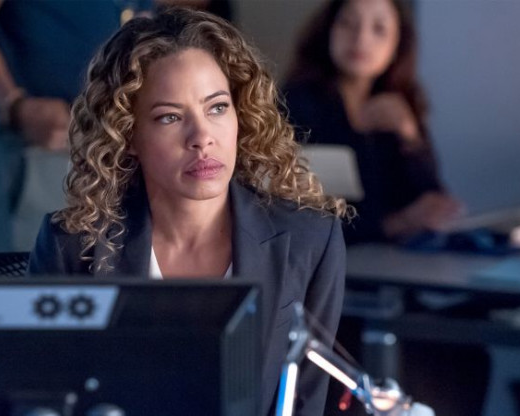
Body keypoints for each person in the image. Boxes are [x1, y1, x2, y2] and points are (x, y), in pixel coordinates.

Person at [28, 8, 350, 416]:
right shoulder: (72, 245)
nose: (202, 138)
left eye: (217, 108)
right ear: (128, 135)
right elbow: (41, 395)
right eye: (169, 117)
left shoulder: (311, 239)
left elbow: (308, 402)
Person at [0, 0, 231, 252]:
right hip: (45, 145)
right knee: (33, 275)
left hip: (124, 148)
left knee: (118, 271)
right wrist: (17, 106)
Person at [282, 0, 463, 245]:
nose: (361, 38)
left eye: (379, 29)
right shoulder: (297, 103)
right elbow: (294, 213)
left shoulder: (399, 104)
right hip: (326, 258)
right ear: (328, 30)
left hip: (391, 259)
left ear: (398, 44)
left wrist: (410, 136)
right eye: (348, 23)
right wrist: (395, 223)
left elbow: (431, 199)